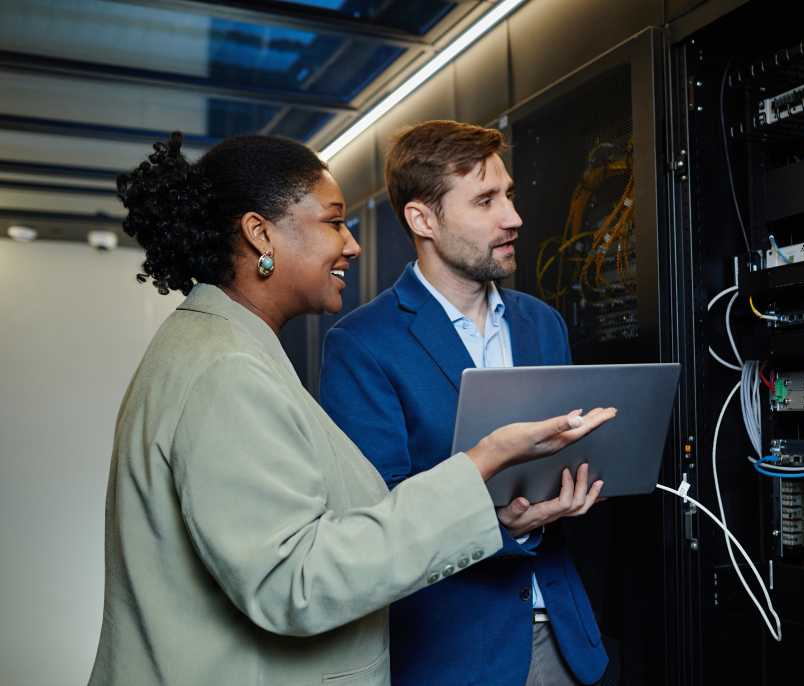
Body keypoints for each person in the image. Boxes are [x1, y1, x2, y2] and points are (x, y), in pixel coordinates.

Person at [87, 132, 615, 686]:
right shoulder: (229, 369)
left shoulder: (222, 348)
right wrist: (479, 466)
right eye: (334, 222)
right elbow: (293, 582)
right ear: (260, 233)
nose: (354, 245)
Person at [320, 120, 608, 686]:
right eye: (485, 201)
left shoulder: (541, 324)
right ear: (423, 219)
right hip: (452, 652)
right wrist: (504, 526)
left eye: (509, 196)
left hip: (566, 636)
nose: (513, 218)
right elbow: (374, 518)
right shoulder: (362, 344)